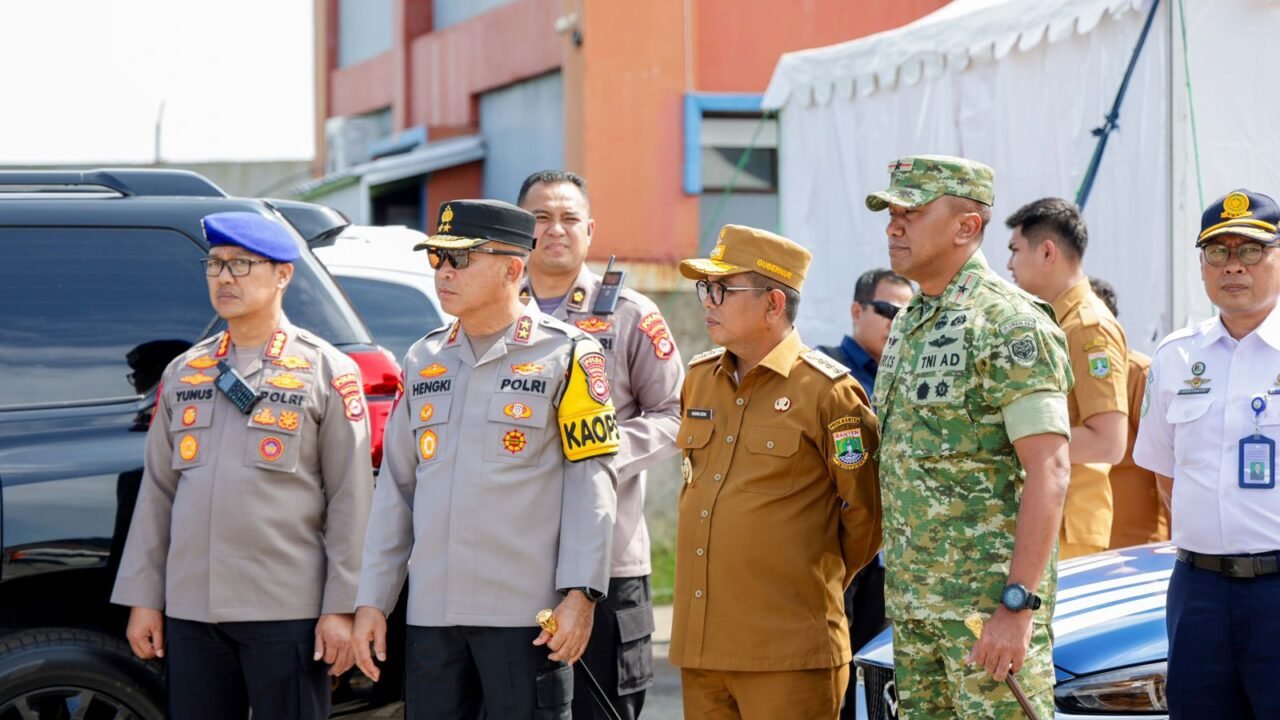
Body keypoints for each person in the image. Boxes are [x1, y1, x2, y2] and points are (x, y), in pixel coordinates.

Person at [351, 199, 619, 720]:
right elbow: (397, 491)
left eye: (461, 260)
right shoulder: (423, 358)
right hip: (433, 616)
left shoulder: (568, 354)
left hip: (526, 618)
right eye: (437, 259)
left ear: (513, 268)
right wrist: (372, 601)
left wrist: (581, 595)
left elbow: (592, 484)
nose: (444, 273)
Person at [112, 211, 374, 719]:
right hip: (193, 611)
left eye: (242, 264)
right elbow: (158, 495)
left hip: (286, 609)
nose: (226, 277)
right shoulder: (187, 370)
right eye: (216, 265)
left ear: (284, 275)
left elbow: (352, 499)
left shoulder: (327, 370)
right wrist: (145, 598)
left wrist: (342, 608)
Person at [867, 155, 1072, 718]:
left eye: (910, 212)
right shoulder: (911, 321)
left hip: (987, 620)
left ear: (967, 226)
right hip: (916, 610)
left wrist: (1016, 608)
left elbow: (1050, 471)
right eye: (890, 213)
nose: (893, 226)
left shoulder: (1010, 322)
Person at [669, 224, 882, 719]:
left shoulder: (829, 392)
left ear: (773, 304)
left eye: (723, 289)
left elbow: (866, 517)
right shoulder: (700, 379)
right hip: (702, 649)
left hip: (788, 651)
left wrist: (801, 582)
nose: (709, 301)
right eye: (706, 288)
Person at [516, 170, 684, 720]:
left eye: (569, 219)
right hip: (512, 560)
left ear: (590, 230)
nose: (555, 230)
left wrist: (599, 449)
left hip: (608, 562)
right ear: (522, 229)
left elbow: (675, 415)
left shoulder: (630, 313)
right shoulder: (492, 315)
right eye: (540, 218)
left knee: (602, 708)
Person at [1134, 188, 1280, 718]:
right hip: (1199, 592)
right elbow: (1165, 476)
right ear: (1202, 265)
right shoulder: (1175, 358)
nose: (1233, 266)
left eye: (1251, 250)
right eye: (1218, 252)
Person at [1006, 198, 1129, 558]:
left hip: (1067, 526)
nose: (1008, 265)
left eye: (1015, 250)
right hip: (1047, 516)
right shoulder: (1054, 321)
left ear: (1047, 252)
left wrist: (1010, 441)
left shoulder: (1088, 327)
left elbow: (1109, 441)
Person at [1088, 276, 1169, 548]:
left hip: (1136, 552)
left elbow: (1167, 465)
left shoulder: (1140, 375)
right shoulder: (1058, 378)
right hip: (1077, 545)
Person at [816, 268, 913, 393]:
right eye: (887, 311)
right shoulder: (821, 367)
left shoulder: (909, 379)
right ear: (857, 312)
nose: (896, 323)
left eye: (907, 315)